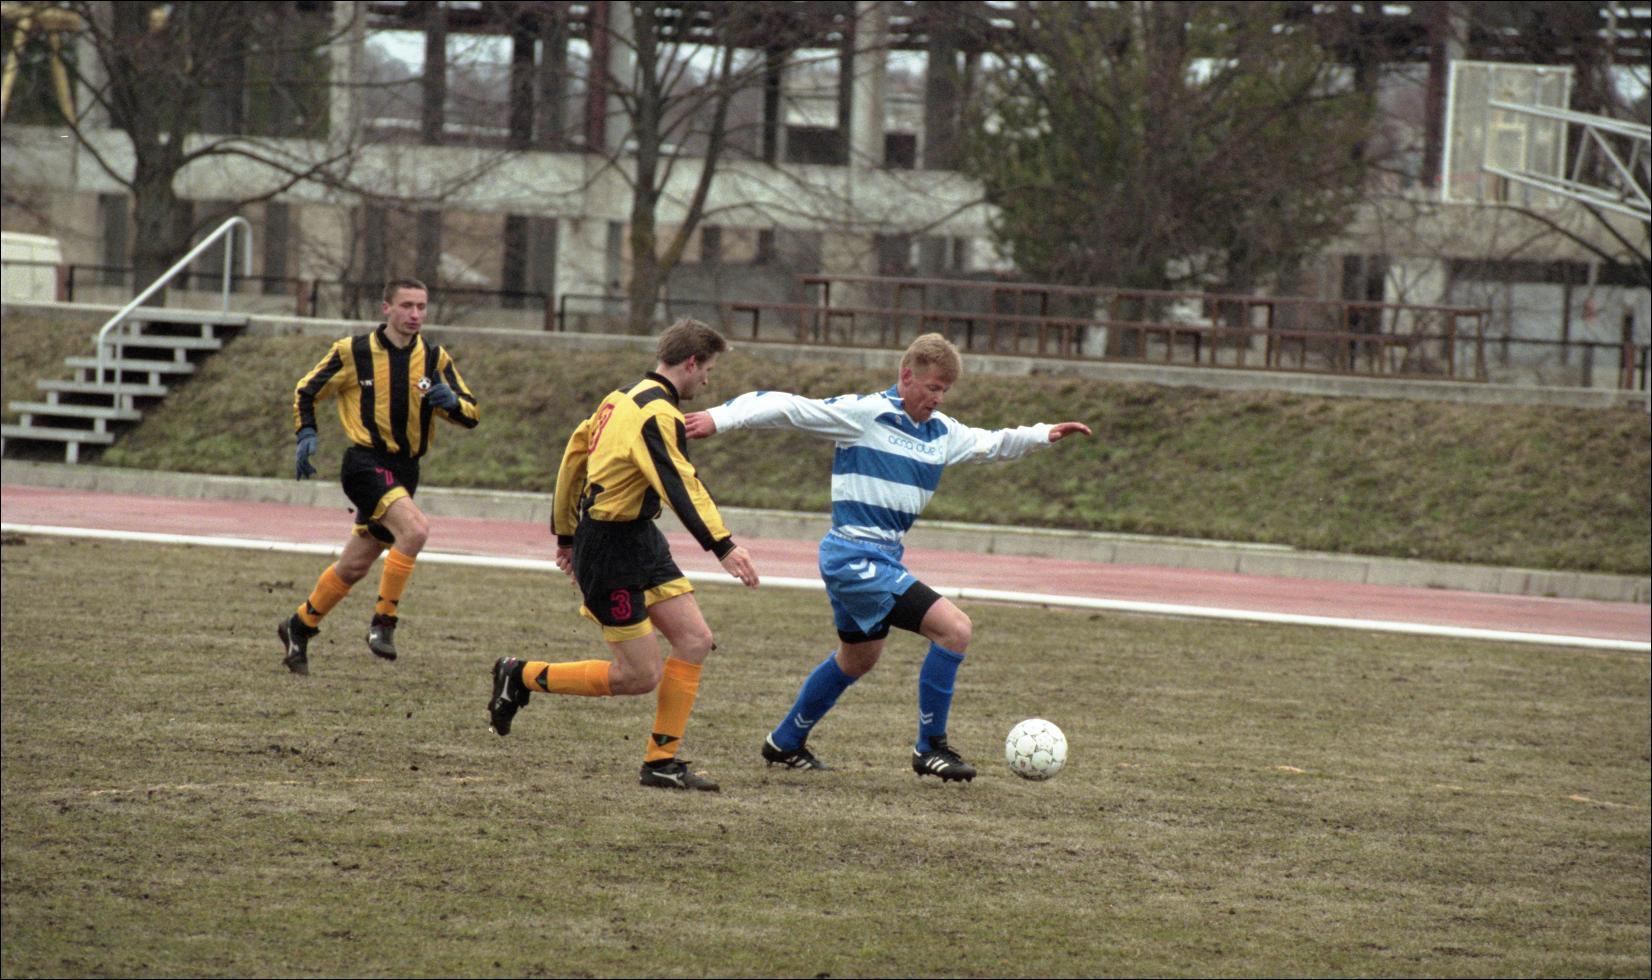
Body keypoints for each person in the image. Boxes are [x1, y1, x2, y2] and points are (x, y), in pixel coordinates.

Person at [682, 332, 1091, 782]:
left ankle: (785, 741)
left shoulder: (942, 433)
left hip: (883, 559)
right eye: (932, 387)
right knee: (955, 629)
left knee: (858, 659)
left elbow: (991, 443)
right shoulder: (865, 414)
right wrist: (720, 418)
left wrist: (1043, 434)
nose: (938, 398)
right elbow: (787, 406)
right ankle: (930, 748)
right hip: (853, 556)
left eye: (945, 391)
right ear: (907, 376)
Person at [486, 317, 759, 793]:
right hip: (609, 549)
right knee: (639, 676)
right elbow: (679, 484)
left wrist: (565, 533)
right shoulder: (657, 414)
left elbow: (574, 457)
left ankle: (661, 762)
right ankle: (521, 675)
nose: (707, 381)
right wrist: (723, 545)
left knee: (695, 640)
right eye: (708, 370)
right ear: (690, 363)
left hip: (639, 538)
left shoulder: (619, 398)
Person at [277, 277, 479, 674]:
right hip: (365, 464)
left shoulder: (434, 358)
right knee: (415, 531)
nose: (415, 314)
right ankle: (383, 623)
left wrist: (452, 403)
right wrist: (306, 433)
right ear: (386, 308)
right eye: (407, 306)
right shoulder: (352, 352)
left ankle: (298, 626)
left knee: (355, 566)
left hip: (406, 470)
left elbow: (471, 414)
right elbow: (306, 390)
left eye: (421, 306)